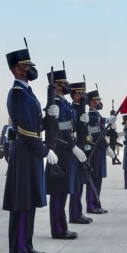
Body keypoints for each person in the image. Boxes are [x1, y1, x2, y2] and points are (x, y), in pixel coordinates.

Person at [2, 46, 57, 253]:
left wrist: (49, 116)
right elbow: (25, 129)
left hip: (31, 152)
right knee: (22, 202)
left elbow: (36, 126)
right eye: (28, 67)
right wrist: (44, 150)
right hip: (25, 152)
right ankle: (17, 250)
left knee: (30, 201)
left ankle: (27, 244)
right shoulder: (16, 94)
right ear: (17, 69)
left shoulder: (27, 92)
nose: (31, 70)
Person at [44, 68, 82, 240]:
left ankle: (62, 227)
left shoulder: (64, 103)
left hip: (67, 151)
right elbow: (61, 130)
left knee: (64, 191)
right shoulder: (57, 104)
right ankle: (58, 229)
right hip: (62, 151)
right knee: (59, 192)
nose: (67, 86)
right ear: (57, 86)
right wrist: (73, 146)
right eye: (65, 83)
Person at [85, 89, 117, 214]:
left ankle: (96, 204)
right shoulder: (91, 115)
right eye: (97, 100)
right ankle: (92, 206)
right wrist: (107, 147)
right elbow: (97, 134)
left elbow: (103, 132)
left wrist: (111, 129)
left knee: (98, 179)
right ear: (92, 102)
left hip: (99, 151)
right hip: (95, 151)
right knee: (95, 178)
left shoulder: (97, 115)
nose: (99, 102)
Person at [67, 82, 94, 225]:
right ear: (75, 95)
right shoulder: (72, 109)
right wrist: (80, 121)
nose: (84, 96)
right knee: (77, 184)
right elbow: (71, 129)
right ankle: (74, 214)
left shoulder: (82, 110)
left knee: (81, 182)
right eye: (81, 93)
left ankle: (78, 212)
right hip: (76, 149)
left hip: (83, 147)